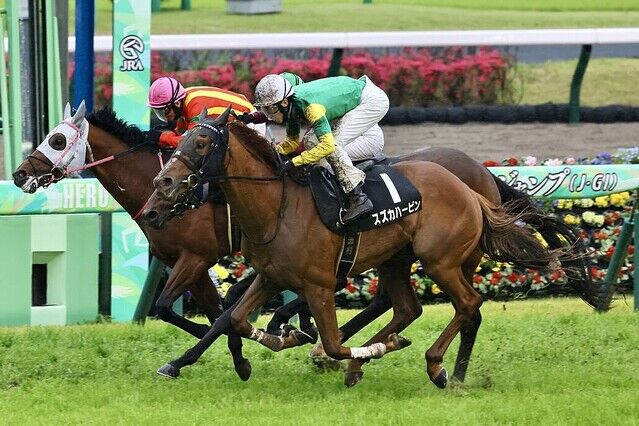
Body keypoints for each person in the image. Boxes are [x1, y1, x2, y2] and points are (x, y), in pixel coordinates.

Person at [251, 73, 390, 223]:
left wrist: (294, 162)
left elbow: (327, 146)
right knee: (311, 140)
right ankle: (337, 177)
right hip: (358, 99)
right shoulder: (293, 105)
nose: (268, 115)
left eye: (270, 109)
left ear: (284, 102)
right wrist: (273, 150)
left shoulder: (311, 108)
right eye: (264, 109)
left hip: (371, 102)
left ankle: (357, 197)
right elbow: (292, 142)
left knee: (333, 146)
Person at [146, 76, 264, 148]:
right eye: (158, 111)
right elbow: (180, 133)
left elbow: (190, 142)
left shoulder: (196, 106)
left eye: (165, 110)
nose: (164, 116)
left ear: (176, 103)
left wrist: (162, 137)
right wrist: (162, 141)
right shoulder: (184, 99)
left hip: (249, 122)